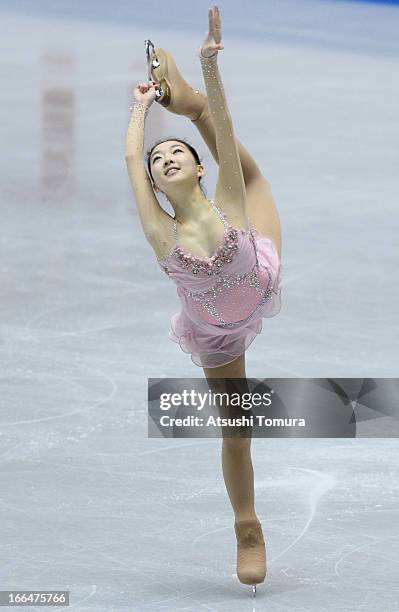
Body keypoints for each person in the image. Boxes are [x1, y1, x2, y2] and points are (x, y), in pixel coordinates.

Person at [125, 5, 282, 596]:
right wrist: (139, 110)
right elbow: (131, 166)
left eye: (177, 154)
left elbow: (228, 136)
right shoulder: (160, 233)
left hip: (255, 273)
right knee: (236, 430)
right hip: (217, 333)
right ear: (157, 183)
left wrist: (209, 68)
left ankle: (188, 103)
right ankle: (247, 526)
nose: (166, 161)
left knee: (256, 178)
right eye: (158, 162)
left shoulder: (228, 203)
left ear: (196, 165)